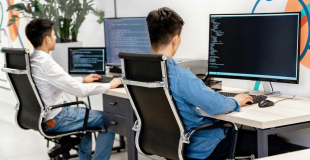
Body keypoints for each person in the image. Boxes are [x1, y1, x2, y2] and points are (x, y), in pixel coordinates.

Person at [146, 7, 287, 160]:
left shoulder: (139, 73)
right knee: (276, 145)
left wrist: (202, 91)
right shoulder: (180, 76)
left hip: (168, 145)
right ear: (175, 39)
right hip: (200, 146)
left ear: (149, 37)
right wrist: (236, 100)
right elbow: (216, 106)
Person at [25, 19, 122, 160]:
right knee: (110, 120)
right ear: (47, 39)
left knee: (87, 120)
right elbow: (80, 91)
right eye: (53, 35)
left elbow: (59, 81)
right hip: (58, 118)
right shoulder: (47, 64)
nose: (55, 38)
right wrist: (109, 85)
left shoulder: (32, 60)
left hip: (44, 117)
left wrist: (83, 79)